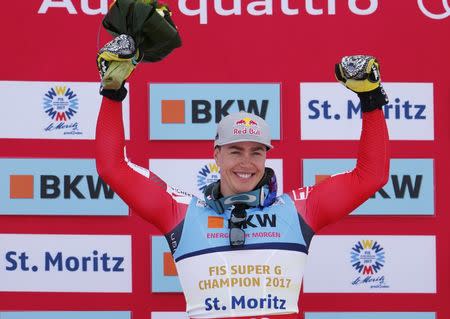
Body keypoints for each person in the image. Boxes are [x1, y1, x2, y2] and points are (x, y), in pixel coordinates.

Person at [95, 35, 390, 319]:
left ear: (266, 156)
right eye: (235, 151)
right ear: (217, 155)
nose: (246, 162)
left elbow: (370, 176)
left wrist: (371, 99)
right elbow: (113, 168)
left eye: (256, 152)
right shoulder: (182, 214)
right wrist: (112, 91)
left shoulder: (298, 210)